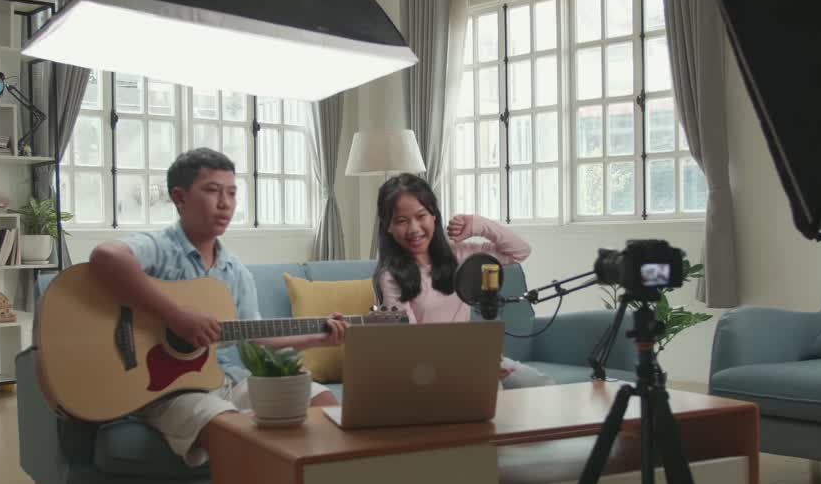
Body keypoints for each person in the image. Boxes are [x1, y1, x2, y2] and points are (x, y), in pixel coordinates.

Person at [88, 148, 348, 467]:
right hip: (169, 391)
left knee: (322, 402)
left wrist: (316, 338)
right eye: (212, 190)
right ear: (179, 198)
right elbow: (106, 257)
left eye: (232, 193)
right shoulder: (159, 249)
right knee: (232, 427)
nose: (225, 203)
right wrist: (175, 316)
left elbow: (253, 336)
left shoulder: (235, 271)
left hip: (229, 381)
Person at [372, 173, 554, 389]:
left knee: (541, 384)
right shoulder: (391, 277)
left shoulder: (459, 255)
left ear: (434, 216)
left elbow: (519, 251)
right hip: (426, 368)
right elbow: (410, 342)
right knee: (492, 387)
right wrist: (473, 365)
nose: (414, 229)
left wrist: (478, 224)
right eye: (401, 221)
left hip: (471, 357)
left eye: (421, 216)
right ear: (388, 227)